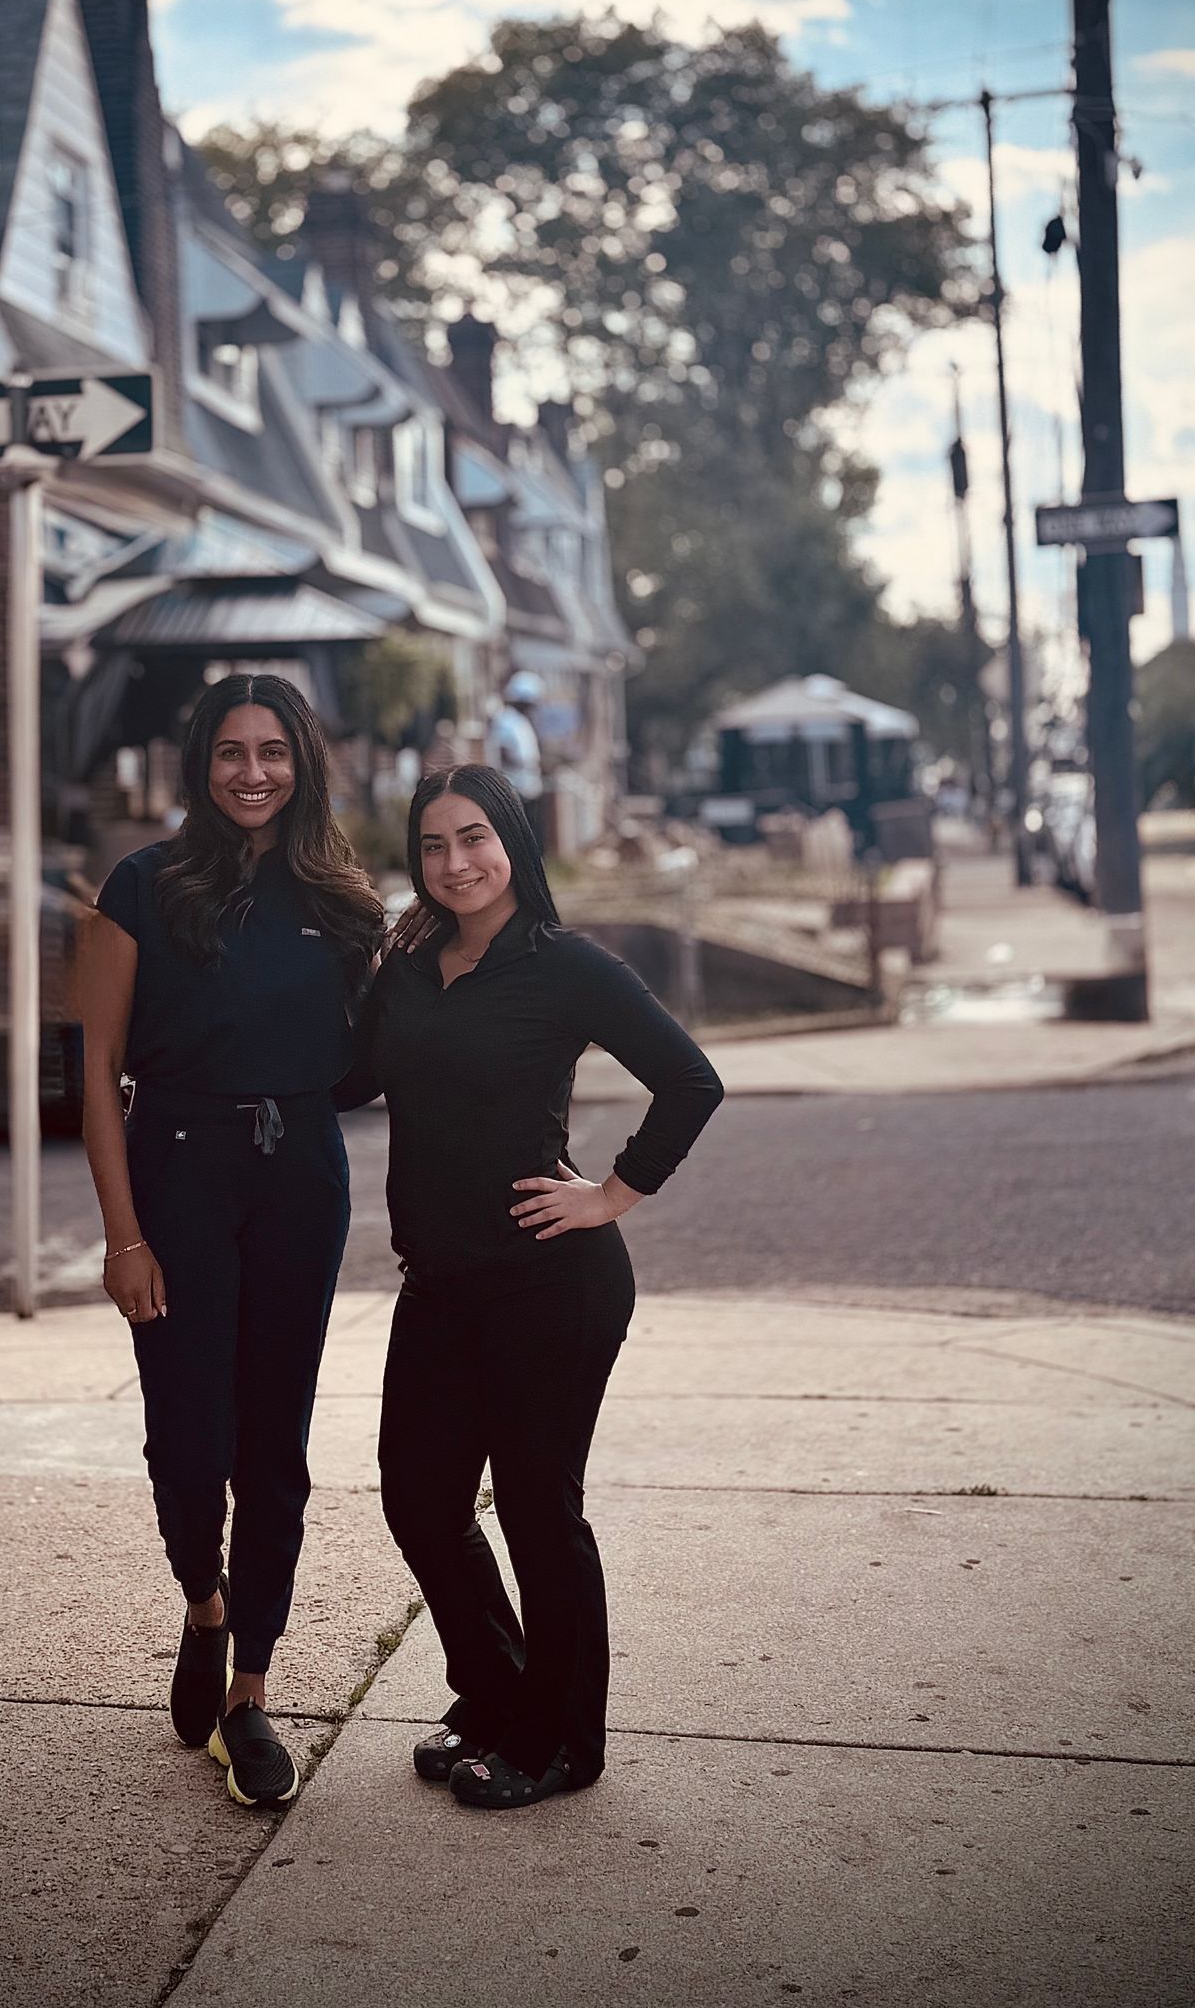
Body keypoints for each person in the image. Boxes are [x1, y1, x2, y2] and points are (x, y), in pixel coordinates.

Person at [340, 765, 723, 1811]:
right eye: (432, 845)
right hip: (441, 1282)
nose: (455, 863)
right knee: (420, 1498)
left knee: (536, 1512)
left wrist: (613, 1192)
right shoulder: (412, 964)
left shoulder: (567, 968)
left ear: (512, 839)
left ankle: (564, 1742)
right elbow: (349, 1077)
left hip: (554, 1285)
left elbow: (692, 1078)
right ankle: (501, 1696)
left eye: (475, 838)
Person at [81, 672, 384, 1810]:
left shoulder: (344, 900)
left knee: (276, 1437)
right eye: (229, 752)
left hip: (300, 1180)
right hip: (178, 1174)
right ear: (199, 764)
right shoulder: (144, 886)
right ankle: (202, 1604)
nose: (252, 772)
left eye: (272, 751)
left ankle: (251, 1687)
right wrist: (124, 1237)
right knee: (185, 1432)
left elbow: (376, 1061)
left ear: (302, 761)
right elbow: (96, 1073)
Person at [489, 671, 546, 843]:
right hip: (515, 789)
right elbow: (504, 754)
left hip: (529, 787)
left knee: (534, 838)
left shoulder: (521, 721)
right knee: (519, 840)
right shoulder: (505, 720)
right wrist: (527, 764)